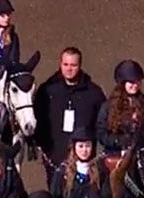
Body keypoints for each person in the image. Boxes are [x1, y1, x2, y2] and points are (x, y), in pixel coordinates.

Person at [35, 47, 106, 184]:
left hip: (84, 157)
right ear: (60, 64)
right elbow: (38, 120)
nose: (69, 69)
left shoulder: (94, 93)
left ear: (80, 66)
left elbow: (102, 123)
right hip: (54, 157)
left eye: (73, 65)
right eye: (65, 64)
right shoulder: (47, 90)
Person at [49, 128, 113, 198]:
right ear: (74, 147)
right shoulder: (62, 173)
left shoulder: (101, 171)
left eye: (88, 146)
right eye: (81, 146)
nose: (84, 150)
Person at [96, 60, 144, 156]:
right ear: (122, 83)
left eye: (137, 81)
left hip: (141, 156)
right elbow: (101, 132)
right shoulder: (109, 105)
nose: (135, 85)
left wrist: (143, 138)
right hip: (116, 155)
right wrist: (118, 141)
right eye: (131, 82)